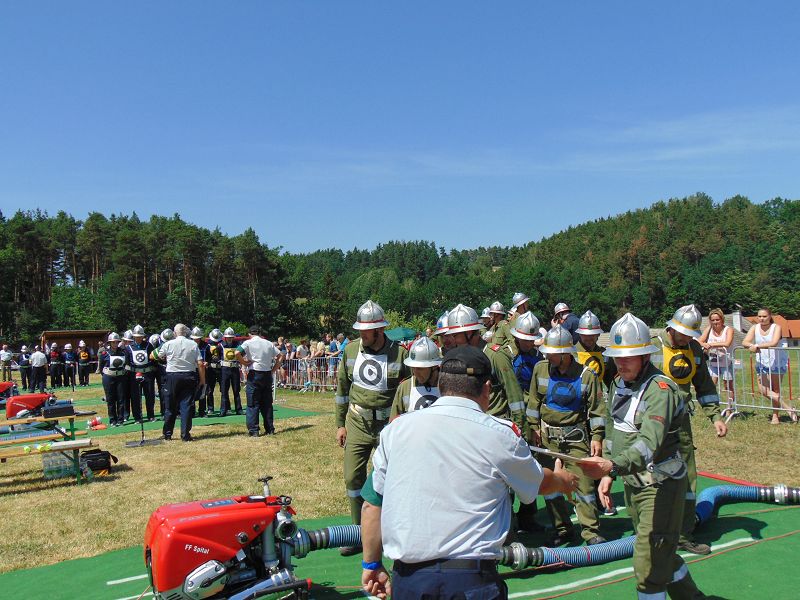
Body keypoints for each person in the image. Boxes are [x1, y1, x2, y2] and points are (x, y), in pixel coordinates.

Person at [361, 345, 582, 600]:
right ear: (487, 388)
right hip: (472, 580)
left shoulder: (395, 431)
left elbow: (372, 505)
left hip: (410, 581)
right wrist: (563, 481)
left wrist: (372, 565)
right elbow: (537, 484)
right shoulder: (500, 434)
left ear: (442, 384)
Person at [588, 313, 706, 599]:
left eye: (630, 356)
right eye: (617, 357)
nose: (621, 362)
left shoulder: (660, 390)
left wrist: (613, 466)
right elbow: (618, 433)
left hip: (660, 488)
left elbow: (647, 443)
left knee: (649, 569)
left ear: (645, 356)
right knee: (664, 555)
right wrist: (608, 475)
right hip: (634, 486)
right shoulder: (618, 384)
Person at [335, 300, 410, 555]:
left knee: (392, 479)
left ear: (379, 330)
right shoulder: (351, 351)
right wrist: (340, 424)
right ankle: (358, 533)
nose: (361, 335)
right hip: (357, 422)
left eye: (365, 331)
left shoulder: (399, 353)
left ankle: (391, 531)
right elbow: (342, 391)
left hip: (388, 425)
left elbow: (410, 390)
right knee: (352, 477)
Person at [658, 304, 728, 555]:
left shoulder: (694, 349)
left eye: (691, 334)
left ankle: (684, 535)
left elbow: (704, 385)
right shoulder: (654, 347)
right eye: (683, 333)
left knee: (686, 478)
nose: (687, 338)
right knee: (650, 478)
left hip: (681, 424)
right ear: (672, 328)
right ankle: (651, 531)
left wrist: (715, 417)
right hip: (652, 424)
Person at [526, 325, 605, 546]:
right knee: (551, 484)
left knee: (584, 484)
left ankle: (590, 532)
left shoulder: (587, 375)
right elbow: (533, 403)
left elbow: (597, 410)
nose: (548, 356)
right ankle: (562, 529)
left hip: (576, 439)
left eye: (552, 353)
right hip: (547, 439)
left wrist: (597, 436)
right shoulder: (540, 370)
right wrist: (532, 427)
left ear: (565, 353)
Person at [446, 303, 527, 434]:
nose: (453, 339)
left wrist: (518, 431)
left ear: (470, 333)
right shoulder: (459, 357)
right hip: (468, 427)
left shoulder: (495, 356)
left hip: (494, 427)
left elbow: (514, 396)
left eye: (456, 335)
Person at [509, 311, 546, 533]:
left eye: (532, 340)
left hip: (532, 417)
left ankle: (528, 516)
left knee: (529, 469)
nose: (528, 343)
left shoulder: (539, 358)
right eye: (525, 339)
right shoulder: (507, 356)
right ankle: (509, 519)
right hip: (510, 419)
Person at [152, 323, 205, 441]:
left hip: (172, 376)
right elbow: (200, 363)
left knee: (170, 406)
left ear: (174, 333)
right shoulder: (193, 344)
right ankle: (185, 435)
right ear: (186, 333)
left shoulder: (168, 344)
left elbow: (157, 356)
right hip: (189, 375)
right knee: (186, 406)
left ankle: (167, 434)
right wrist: (202, 380)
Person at [742, 307, 794, 424]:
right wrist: (751, 345)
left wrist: (756, 346)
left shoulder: (776, 327)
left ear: (770, 316)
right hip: (762, 361)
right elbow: (745, 342)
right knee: (763, 389)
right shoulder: (754, 327)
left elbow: (774, 342)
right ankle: (788, 408)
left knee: (775, 389)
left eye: (764, 316)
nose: (762, 318)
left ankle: (775, 416)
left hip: (776, 360)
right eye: (759, 316)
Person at [236, 325, 282, 436]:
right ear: (260, 333)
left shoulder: (248, 342)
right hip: (267, 373)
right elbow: (280, 356)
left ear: (249, 334)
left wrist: (244, 362)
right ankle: (270, 428)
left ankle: (254, 430)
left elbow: (237, 352)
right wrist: (273, 370)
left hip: (255, 372)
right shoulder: (268, 343)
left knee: (253, 403)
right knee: (267, 403)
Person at [390, 336, 441, 419]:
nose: (415, 372)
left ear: (434, 366)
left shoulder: (448, 386)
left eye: (420, 368)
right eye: (413, 367)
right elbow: (394, 423)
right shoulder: (405, 387)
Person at [699, 309, 735, 416]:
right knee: (711, 384)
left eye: (717, 319)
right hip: (713, 362)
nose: (715, 322)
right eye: (713, 320)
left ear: (722, 319)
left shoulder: (729, 330)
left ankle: (729, 409)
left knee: (727, 385)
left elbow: (727, 343)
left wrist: (711, 345)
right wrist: (704, 344)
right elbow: (699, 340)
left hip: (727, 362)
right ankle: (713, 408)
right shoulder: (708, 329)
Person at [574, 310, 617, 391]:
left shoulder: (604, 355)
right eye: (585, 335)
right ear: (580, 334)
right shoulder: (570, 353)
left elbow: (612, 384)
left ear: (598, 334)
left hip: (595, 400)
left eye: (592, 335)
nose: (589, 338)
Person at [127, 325, 156, 421]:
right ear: (134, 336)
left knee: (150, 395)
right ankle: (137, 417)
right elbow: (127, 363)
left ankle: (151, 415)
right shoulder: (129, 348)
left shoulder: (148, 345)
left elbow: (153, 360)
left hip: (147, 375)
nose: (138, 338)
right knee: (136, 397)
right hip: (135, 375)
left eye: (140, 336)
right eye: (136, 336)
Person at [100, 333, 128, 427]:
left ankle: (121, 419)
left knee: (121, 398)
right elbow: (101, 367)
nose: (115, 344)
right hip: (108, 377)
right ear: (110, 343)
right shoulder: (105, 353)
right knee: (110, 399)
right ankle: (112, 420)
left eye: (117, 342)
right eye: (113, 342)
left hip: (120, 377)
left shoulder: (123, 352)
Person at [219, 327, 243, 416]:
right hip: (224, 370)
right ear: (225, 337)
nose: (229, 338)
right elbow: (217, 357)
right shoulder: (220, 345)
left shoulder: (237, 345)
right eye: (228, 337)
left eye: (231, 337)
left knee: (236, 390)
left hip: (234, 369)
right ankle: (223, 409)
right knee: (224, 390)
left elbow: (242, 353)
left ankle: (239, 409)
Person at [204, 328, 223, 413]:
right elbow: (206, 358)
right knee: (209, 390)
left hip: (221, 368)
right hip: (211, 369)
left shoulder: (222, 345)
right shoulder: (207, 346)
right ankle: (210, 408)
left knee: (224, 389)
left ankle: (226, 407)